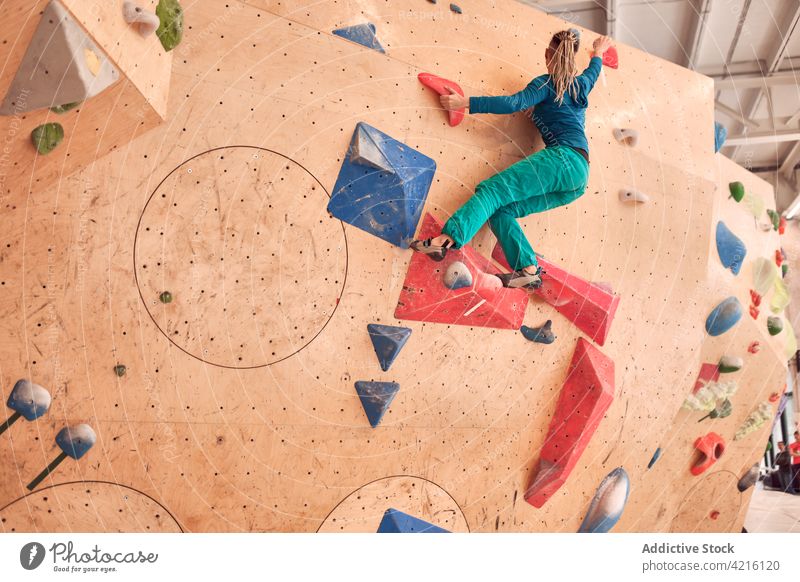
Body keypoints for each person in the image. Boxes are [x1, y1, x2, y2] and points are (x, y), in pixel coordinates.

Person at [410, 30, 614, 289]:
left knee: (492, 191)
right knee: (502, 211)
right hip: (578, 177)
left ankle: (444, 241)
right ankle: (528, 269)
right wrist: (598, 52)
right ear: (572, 60)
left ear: (547, 55)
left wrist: (464, 102)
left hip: (562, 159)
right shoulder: (582, 85)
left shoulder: (545, 84)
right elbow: (594, 69)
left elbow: (512, 102)